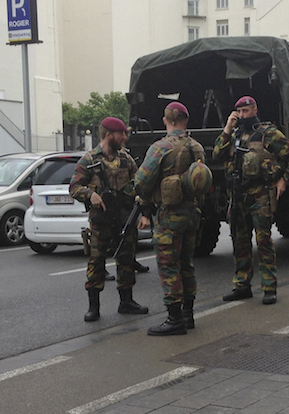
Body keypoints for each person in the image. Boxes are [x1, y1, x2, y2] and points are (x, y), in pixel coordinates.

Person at [213, 96, 289, 305]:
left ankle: (269, 287)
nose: (242, 115)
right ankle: (242, 285)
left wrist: (284, 179)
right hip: (237, 196)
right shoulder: (234, 135)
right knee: (240, 242)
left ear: (254, 110)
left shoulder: (268, 134)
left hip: (260, 195)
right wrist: (227, 128)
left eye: (245, 111)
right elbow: (216, 154)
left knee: (263, 242)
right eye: (239, 112)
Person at [135, 102, 207, 336]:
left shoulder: (160, 147)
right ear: (186, 121)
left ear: (165, 120)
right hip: (192, 213)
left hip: (169, 215)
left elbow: (143, 181)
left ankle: (174, 318)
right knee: (186, 263)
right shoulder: (197, 147)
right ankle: (188, 315)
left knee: (168, 266)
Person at [69, 116, 149, 322]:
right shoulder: (89, 160)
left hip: (125, 219)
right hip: (101, 220)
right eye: (120, 134)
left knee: (126, 260)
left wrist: (145, 213)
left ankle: (126, 302)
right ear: (108, 135)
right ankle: (93, 307)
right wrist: (90, 195)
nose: (124, 137)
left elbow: (140, 185)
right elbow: (74, 187)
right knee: (96, 263)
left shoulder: (127, 159)